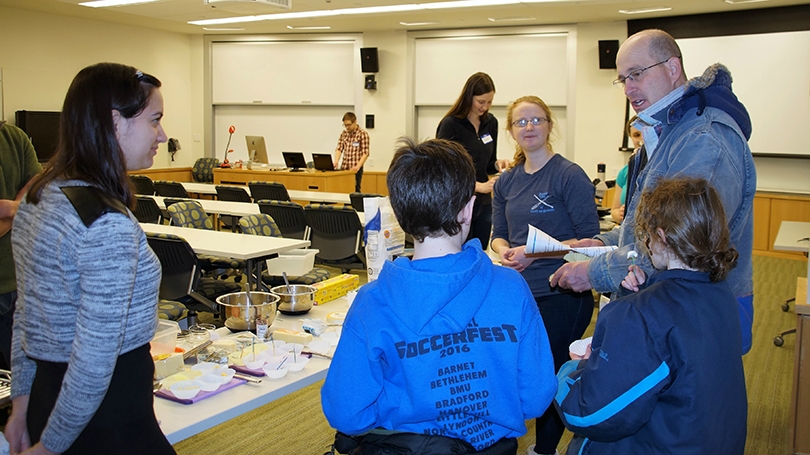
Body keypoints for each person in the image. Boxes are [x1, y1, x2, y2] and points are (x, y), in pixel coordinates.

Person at [321, 137, 556, 455]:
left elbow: (346, 413)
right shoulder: (512, 288)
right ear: (469, 209)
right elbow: (536, 397)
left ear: (401, 215)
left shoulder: (373, 302)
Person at [550, 28, 756, 355]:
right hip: (665, 306)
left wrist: (594, 271)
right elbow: (645, 227)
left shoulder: (704, 138)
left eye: (637, 74)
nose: (629, 88)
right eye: (623, 79)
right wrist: (602, 243)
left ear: (673, 68)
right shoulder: (666, 131)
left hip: (699, 313)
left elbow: (679, 246)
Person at [6, 62, 175, 455]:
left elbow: (26, 314)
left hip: (51, 402)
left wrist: (21, 407)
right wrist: (51, 447)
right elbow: (95, 358)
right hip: (103, 415)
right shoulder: (104, 224)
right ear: (115, 123)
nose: (163, 135)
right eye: (154, 120)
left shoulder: (38, 198)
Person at [554, 177, 747, 454]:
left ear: (662, 236)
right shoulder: (720, 292)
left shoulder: (640, 315)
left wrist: (571, 371)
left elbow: (586, 414)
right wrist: (649, 289)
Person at [490, 95, 599, 455]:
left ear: (550, 125)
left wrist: (533, 252)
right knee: (514, 371)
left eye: (537, 120)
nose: (529, 127)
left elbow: (592, 239)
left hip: (562, 294)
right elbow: (498, 233)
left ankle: (544, 449)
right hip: (519, 294)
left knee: (547, 374)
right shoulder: (506, 182)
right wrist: (504, 249)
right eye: (521, 122)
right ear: (510, 131)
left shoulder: (569, 174)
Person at [436, 72, 509, 249]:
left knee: (481, 250)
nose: (485, 107)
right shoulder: (450, 124)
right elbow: (444, 170)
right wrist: (478, 186)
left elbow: (488, 161)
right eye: (481, 102)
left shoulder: (491, 123)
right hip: (458, 202)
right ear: (469, 97)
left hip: (483, 204)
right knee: (460, 252)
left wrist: (498, 164)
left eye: (489, 102)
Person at [0, 122, 41, 374]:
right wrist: (17, 209)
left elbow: (37, 192)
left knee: (21, 378)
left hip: (18, 285)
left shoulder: (14, 137)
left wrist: (10, 209)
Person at [610, 118, 642, 224]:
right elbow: (614, 211)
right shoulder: (624, 172)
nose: (641, 139)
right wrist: (619, 214)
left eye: (644, 133)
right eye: (636, 135)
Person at [333, 112, 370, 192]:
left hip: (355, 169)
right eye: (345, 125)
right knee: (343, 190)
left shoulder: (362, 134)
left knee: (355, 191)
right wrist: (336, 161)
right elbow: (339, 148)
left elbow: (365, 153)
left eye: (349, 125)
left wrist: (358, 166)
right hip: (344, 168)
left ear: (355, 122)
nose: (347, 127)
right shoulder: (344, 134)